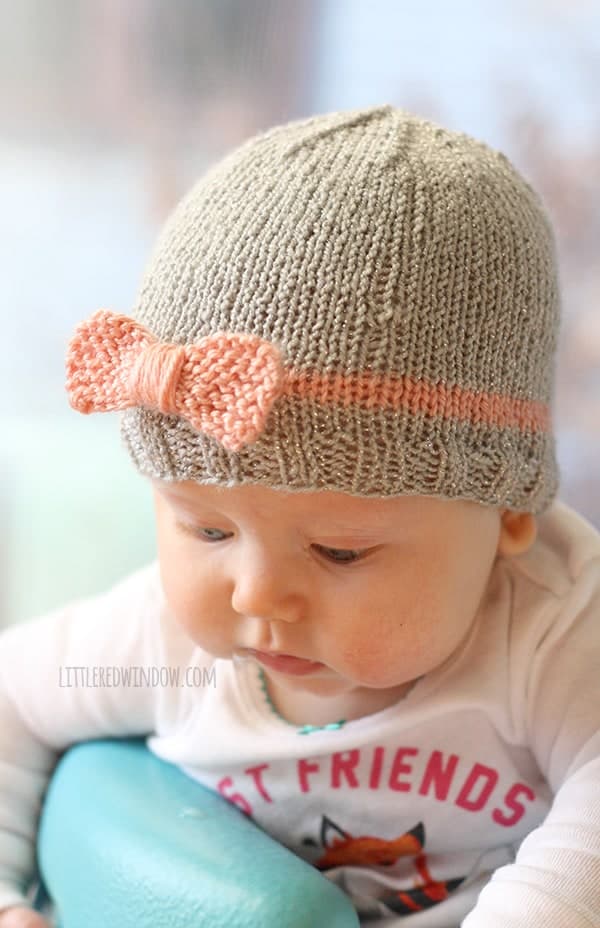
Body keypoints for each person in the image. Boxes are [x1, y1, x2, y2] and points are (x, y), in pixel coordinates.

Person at [0, 104, 598, 927]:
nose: (255, 595)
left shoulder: (550, 629)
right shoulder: (151, 641)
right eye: (207, 529)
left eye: (338, 551)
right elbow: (13, 699)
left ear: (507, 515)